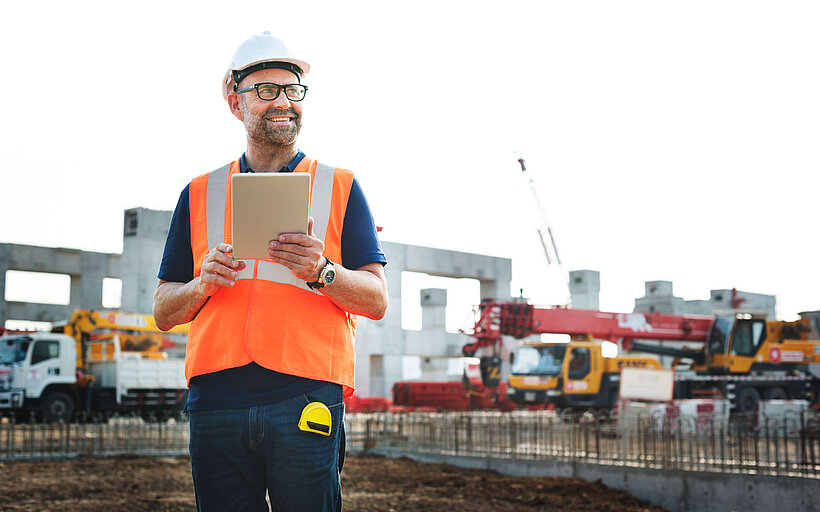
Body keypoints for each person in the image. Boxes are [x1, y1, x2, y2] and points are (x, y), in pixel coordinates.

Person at [152, 32, 388, 512]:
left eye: (292, 90)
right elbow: (162, 310)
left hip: (305, 397)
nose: (283, 101)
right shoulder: (198, 192)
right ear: (235, 100)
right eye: (266, 90)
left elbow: (376, 300)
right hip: (217, 399)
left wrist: (323, 271)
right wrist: (202, 284)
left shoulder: (340, 186)